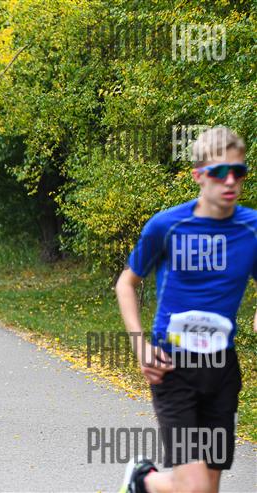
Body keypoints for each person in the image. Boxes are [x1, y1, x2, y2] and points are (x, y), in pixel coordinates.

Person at [115, 127, 255, 493]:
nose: (230, 181)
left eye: (238, 171)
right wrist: (140, 346)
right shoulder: (167, 226)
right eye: (219, 172)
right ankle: (143, 478)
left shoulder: (252, 229)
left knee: (208, 487)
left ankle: (144, 483)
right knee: (193, 488)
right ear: (198, 176)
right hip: (172, 366)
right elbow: (126, 283)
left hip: (222, 369)